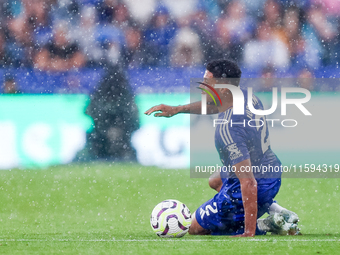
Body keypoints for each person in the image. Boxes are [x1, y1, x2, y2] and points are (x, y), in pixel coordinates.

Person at [145, 59, 300, 237]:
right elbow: (215, 106)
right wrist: (178, 109)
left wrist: (249, 233)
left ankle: (266, 225)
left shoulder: (228, 128)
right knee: (215, 180)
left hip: (257, 184)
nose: (202, 86)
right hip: (272, 170)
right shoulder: (246, 96)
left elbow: (248, 182)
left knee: (194, 228)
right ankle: (276, 209)